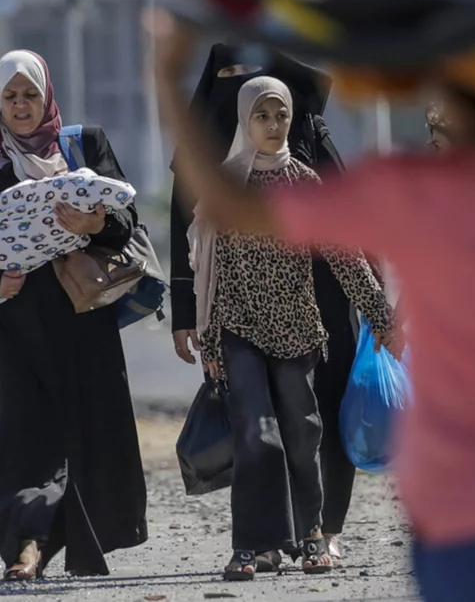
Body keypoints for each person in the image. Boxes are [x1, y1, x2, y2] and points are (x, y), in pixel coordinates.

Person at [153, 14, 475, 602]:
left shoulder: (406, 191)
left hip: (464, 521)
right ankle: (266, 539)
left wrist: (169, 81)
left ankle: (316, 531)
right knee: (267, 431)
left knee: (303, 429)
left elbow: (229, 208)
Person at [0, 49, 148, 580]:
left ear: (47, 95)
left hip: (82, 317)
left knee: (86, 430)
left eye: (31, 94)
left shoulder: (83, 145)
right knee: (22, 433)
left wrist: (93, 224)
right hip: (15, 320)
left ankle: (74, 543)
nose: (22, 105)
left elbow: (126, 218)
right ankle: (25, 546)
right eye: (11, 96)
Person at [185, 76, 394, 580]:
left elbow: (345, 258)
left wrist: (381, 315)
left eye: (281, 115)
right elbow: (209, 274)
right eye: (263, 116)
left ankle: (312, 534)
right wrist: (210, 339)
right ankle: (252, 545)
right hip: (239, 329)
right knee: (256, 433)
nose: (274, 125)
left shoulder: (305, 182)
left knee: (302, 434)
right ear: (245, 121)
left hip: (298, 328)